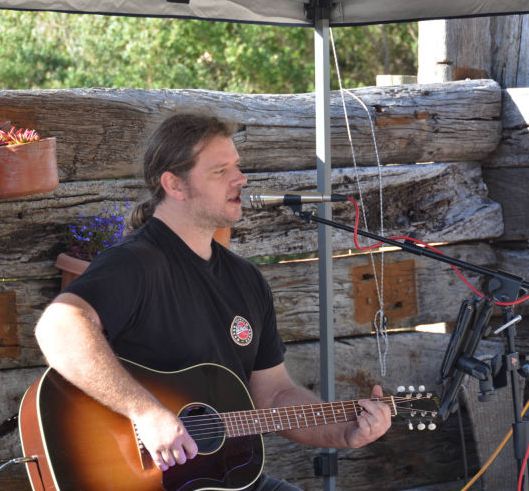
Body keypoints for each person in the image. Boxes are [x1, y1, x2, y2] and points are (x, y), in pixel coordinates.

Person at [35, 113, 391, 490]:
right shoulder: (136, 263)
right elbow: (58, 327)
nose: (241, 179)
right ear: (175, 184)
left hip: (226, 479)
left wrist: (345, 432)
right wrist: (147, 413)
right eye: (221, 171)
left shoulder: (246, 280)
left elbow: (273, 395)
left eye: (236, 166)